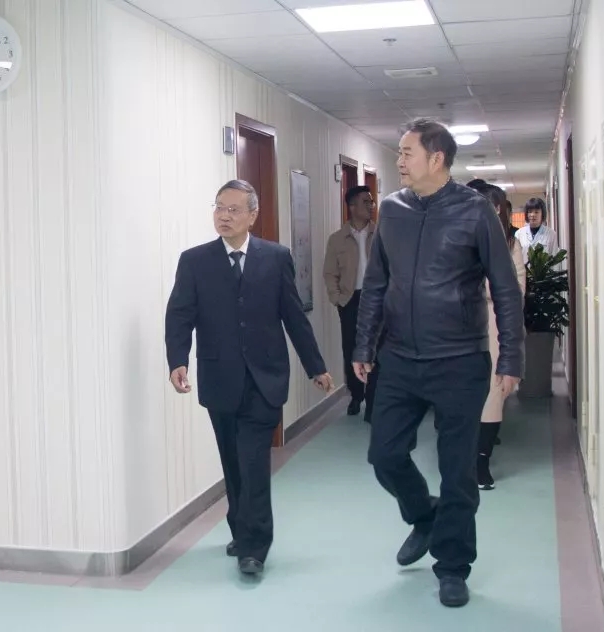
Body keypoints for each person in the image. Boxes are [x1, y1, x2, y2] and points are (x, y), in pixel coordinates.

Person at [352, 118, 524, 607]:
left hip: (459, 359)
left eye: (407, 152)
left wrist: (511, 356)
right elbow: (376, 284)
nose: (399, 160)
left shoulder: (475, 211)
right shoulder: (393, 209)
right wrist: (364, 346)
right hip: (399, 358)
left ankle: (452, 566)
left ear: (437, 158)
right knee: (384, 455)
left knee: (457, 470)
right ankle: (424, 516)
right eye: (400, 152)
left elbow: (504, 288)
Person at [165, 179, 334, 578]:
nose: (224, 216)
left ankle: (254, 546)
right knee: (234, 463)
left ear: (253, 215)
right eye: (219, 207)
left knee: (254, 462)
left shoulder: (276, 258)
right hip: (219, 379)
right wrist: (177, 360)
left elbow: (293, 316)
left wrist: (316, 366)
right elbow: (180, 314)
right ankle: (241, 528)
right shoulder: (194, 261)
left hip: (265, 379)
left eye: (234, 209)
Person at [467, 181, 527, 491]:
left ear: (498, 209)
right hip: (457, 329)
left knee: (492, 397)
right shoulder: (457, 239)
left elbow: (516, 291)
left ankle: (481, 462)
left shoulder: (510, 244)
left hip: (495, 327)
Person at [323, 185, 377, 419]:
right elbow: (329, 273)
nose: (371, 206)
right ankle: (356, 395)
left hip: (377, 299)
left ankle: (373, 400)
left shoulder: (381, 234)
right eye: (366, 202)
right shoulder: (337, 239)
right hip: (350, 300)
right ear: (352, 206)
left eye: (371, 202)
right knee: (351, 348)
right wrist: (337, 299)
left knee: (377, 349)